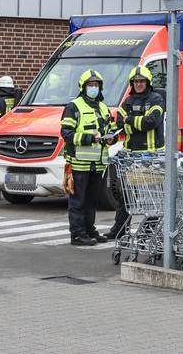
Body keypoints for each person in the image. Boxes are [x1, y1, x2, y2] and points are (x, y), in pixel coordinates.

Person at [106, 66, 165, 240]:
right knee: (127, 196)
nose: (139, 84)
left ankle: (148, 230)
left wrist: (130, 120)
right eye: (136, 81)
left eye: (142, 81)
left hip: (151, 158)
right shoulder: (128, 102)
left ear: (148, 82)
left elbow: (151, 122)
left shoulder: (157, 99)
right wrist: (125, 125)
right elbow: (119, 124)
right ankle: (120, 228)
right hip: (131, 158)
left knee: (152, 197)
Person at [60, 70, 117, 246]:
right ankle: (77, 234)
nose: (93, 88)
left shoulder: (102, 107)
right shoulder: (73, 106)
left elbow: (111, 129)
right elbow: (66, 133)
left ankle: (89, 229)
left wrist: (112, 137)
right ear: (83, 87)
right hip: (79, 163)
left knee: (92, 200)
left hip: (98, 164)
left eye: (96, 85)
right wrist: (89, 138)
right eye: (90, 85)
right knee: (78, 201)